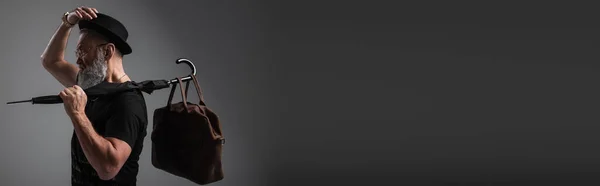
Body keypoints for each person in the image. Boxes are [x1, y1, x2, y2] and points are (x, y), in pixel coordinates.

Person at [40, 6, 148, 186]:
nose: (77, 59)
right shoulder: (91, 82)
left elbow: (108, 168)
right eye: (77, 53)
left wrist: (78, 114)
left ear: (107, 52)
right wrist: (67, 23)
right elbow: (51, 61)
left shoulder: (128, 102)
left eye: (82, 51)